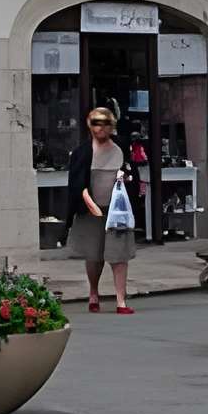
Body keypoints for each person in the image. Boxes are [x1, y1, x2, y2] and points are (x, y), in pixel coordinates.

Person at [66, 105, 135, 315]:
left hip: (117, 211)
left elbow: (133, 176)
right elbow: (77, 184)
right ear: (89, 126)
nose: (100, 128)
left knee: (119, 256)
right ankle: (93, 293)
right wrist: (90, 205)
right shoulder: (82, 153)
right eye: (96, 123)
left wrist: (126, 179)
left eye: (105, 124)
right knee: (94, 256)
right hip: (90, 212)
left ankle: (121, 301)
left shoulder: (121, 148)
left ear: (112, 126)